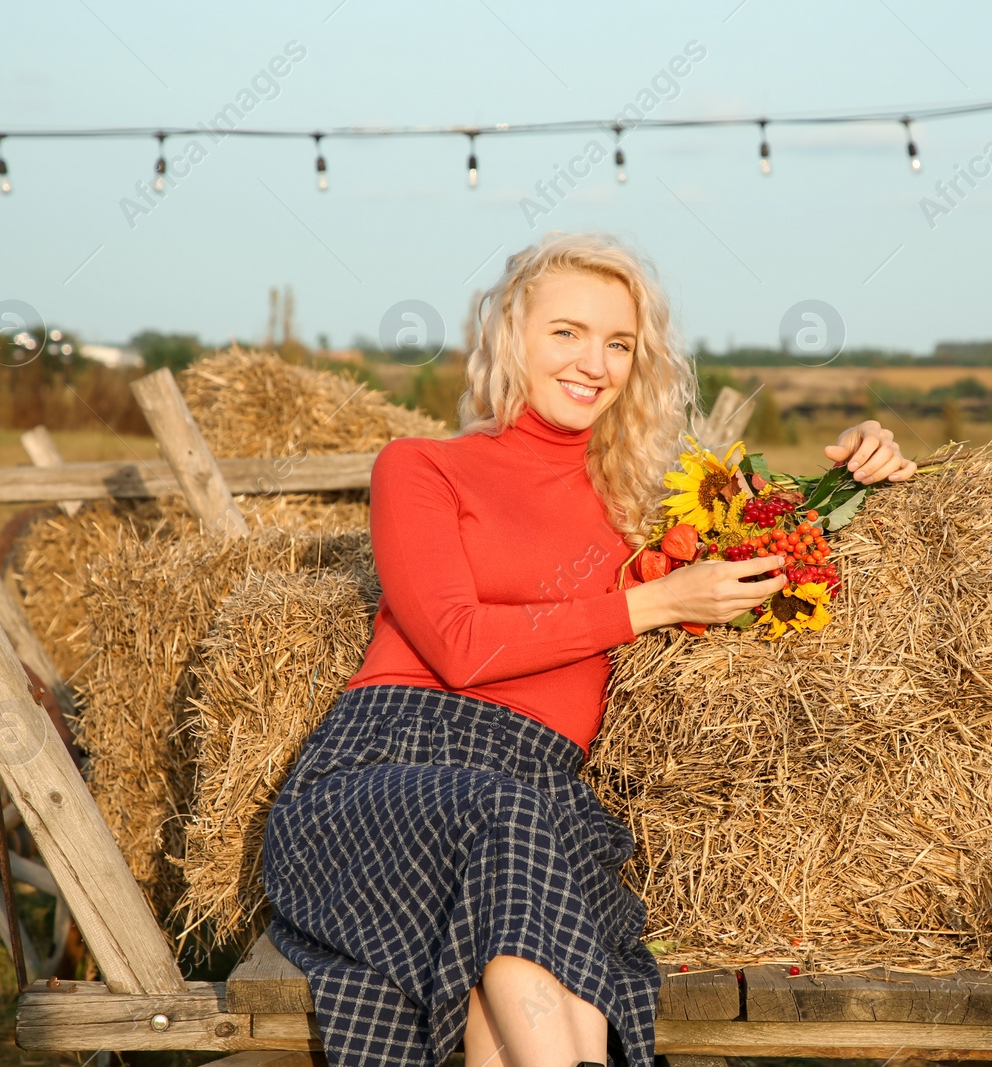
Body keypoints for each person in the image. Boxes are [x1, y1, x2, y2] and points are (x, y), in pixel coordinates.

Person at [261, 231, 918, 1067]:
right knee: (512, 830)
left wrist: (863, 462)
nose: (594, 362)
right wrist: (650, 602)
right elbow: (458, 647)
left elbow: (788, 538)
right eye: (566, 332)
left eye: (619, 343)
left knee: (530, 993)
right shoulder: (421, 467)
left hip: (535, 784)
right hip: (385, 770)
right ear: (511, 337)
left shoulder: (647, 501)